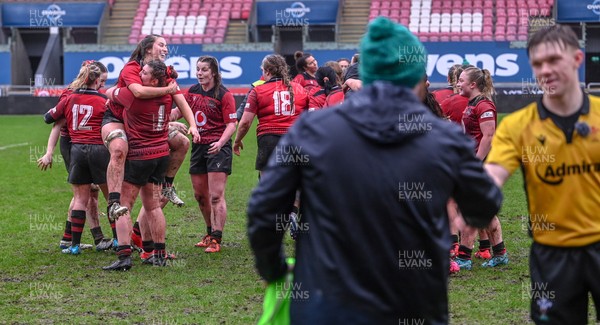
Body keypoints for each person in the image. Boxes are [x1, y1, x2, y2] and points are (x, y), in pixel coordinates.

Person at [247, 17, 502, 323]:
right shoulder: (444, 139)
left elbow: (264, 210)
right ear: (415, 77)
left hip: (325, 306)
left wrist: (274, 269)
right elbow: (484, 203)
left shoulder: (313, 131)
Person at [486, 24, 600, 324]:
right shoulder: (517, 126)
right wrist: (473, 196)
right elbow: (493, 176)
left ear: (577, 59)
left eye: (553, 60)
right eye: (537, 64)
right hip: (552, 255)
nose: (544, 70)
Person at [102, 34, 200, 224]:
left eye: (167, 46)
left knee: (182, 142)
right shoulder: (132, 68)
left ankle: (167, 186)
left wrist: (194, 126)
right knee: (120, 149)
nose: (166, 49)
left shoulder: (164, 72)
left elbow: (181, 101)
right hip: (116, 117)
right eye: (161, 45)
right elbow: (138, 92)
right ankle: (113, 201)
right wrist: (167, 91)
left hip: (140, 121)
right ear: (148, 49)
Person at [103, 60, 178, 270]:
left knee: (123, 205)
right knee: (153, 207)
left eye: (143, 73)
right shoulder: (167, 95)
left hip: (139, 156)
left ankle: (124, 257)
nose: (139, 75)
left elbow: (108, 92)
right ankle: (159, 255)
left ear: (153, 80)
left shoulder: (133, 97)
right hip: (161, 155)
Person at [38, 61, 114, 252]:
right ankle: (111, 240)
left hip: (78, 147)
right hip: (79, 144)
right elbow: (56, 124)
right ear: (95, 80)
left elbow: (49, 118)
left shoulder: (71, 96)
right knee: (100, 194)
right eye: (102, 81)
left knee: (86, 194)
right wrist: (49, 152)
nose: (104, 85)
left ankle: (74, 243)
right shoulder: (96, 98)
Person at [453, 66, 508, 270]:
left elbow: (489, 137)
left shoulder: (484, 105)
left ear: (472, 84)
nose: (457, 83)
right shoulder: (473, 103)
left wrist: (476, 164)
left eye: (461, 80)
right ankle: (500, 253)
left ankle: (464, 258)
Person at [182, 56, 237, 253]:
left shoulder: (224, 94)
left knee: (215, 196)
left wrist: (221, 143)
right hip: (198, 146)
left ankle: (216, 238)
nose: (200, 73)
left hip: (218, 148)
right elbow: (180, 110)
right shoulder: (193, 92)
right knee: (200, 196)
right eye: (198, 69)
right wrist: (163, 118)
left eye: (204, 70)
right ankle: (208, 232)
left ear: (213, 72)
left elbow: (232, 124)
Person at [233, 54, 309, 176]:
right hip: (295, 139)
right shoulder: (300, 89)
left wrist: (237, 140)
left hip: (269, 140)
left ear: (267, 71)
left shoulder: (258, 91)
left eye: (262, 70)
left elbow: (245, 123)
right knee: (294, 182)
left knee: (269, 184)